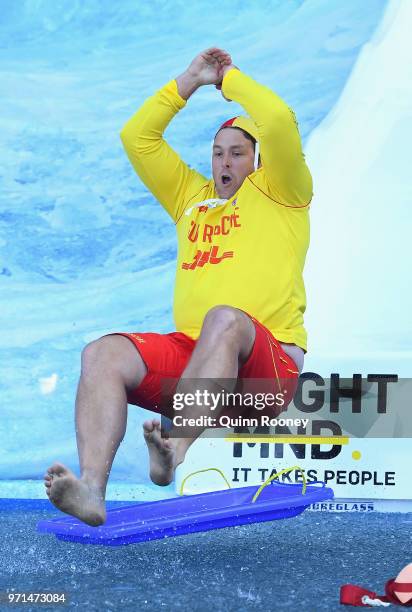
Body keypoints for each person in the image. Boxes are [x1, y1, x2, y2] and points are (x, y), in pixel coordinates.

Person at [44, 48, 312, 526]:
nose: (224, 161)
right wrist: (190, 80)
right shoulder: (191, 199)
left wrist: (227, 78)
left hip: (266, 377)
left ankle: (177, 447)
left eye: (238, 152)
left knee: (224, 317)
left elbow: (277, 119)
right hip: (198, 373)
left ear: (258, 158)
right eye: (217, 152)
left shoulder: (285, 192)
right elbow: (138, 138)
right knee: (102, 353)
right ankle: (91, 489)